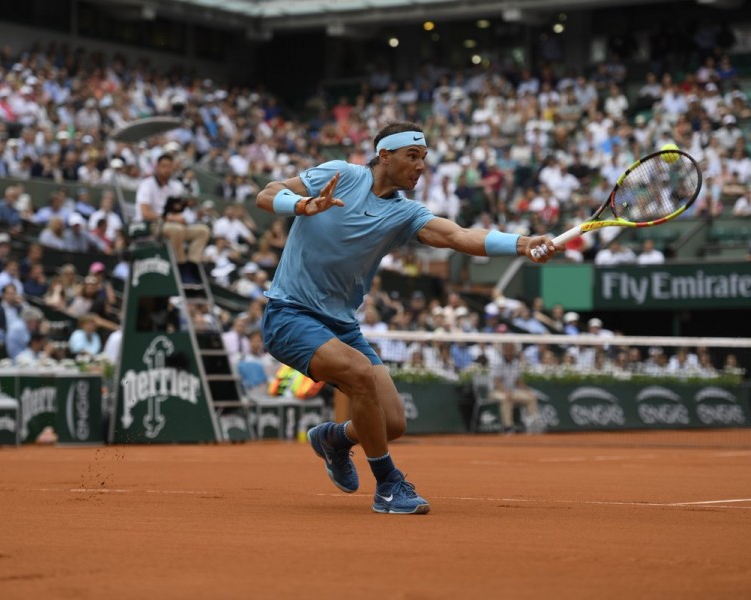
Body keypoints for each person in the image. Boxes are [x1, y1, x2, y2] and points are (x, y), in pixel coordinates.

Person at [255, 121, 559, 514]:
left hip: (342, 324)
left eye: (424, 159)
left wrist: (521, 243)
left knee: (392, 423)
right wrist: (300, 205)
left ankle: (335, 439)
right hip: (289, 313)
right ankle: (387, 485)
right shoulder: (342, 174)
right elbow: (266, 194)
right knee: (360, 373)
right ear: (385, 156)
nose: (420, 167)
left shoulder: (405, 213)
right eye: (411, 156)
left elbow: (456, 236)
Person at [134, 154, 210, 283]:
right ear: (157, 167)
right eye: (164, 166)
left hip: (173, 225)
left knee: (203, 231)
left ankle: (191, 266)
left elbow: (183, 211)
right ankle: (180, 267)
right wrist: (170, 218)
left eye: (169, 167)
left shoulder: (175, 186)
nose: (167, 170)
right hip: (152, 225)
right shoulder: (147, 184)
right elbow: (145, 213)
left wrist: (185, 217)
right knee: (177, 229)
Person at [487, 342, 541, 434]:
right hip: (496, 392)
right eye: (507, 349)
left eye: (511, 349)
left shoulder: (515, 363)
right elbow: (496, 381)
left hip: (511, 391)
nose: (510, 352)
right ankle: (508, 427)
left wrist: (527, 391)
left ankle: (533, 424)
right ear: (504, 351)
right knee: (506, 399)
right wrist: (505, 391)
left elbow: (518, 381)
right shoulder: (498, 363)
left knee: (531, 397)